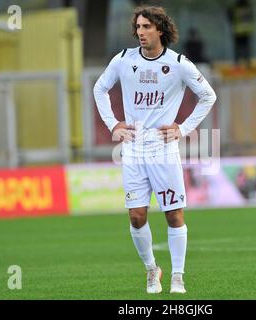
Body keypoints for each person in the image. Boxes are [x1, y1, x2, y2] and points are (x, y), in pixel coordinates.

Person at [93, 6, 217, 294]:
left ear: (160, 29)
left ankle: (178, 276)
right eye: (138, 27)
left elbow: (208, 95)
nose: (140, 32)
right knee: (137, 216)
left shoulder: (178, 64)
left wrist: (183, 129)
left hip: (163, 150)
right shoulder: (124, 60)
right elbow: (100, 89)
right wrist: (113, 124)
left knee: (174, 215)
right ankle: (152, 270)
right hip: (133, 150)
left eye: (146, 26)